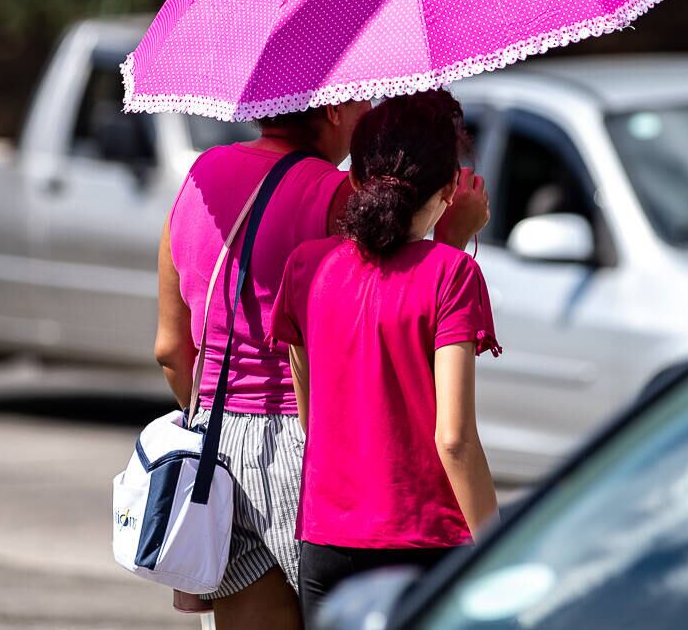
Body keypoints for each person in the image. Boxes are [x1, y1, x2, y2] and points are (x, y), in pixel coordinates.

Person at [154, 102, 486, 630]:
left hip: (214, 445)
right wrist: (452, 237)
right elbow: (397, 301)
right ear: (333, 109)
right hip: (303, 446)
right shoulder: (332, 191)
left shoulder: (200, 177)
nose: (369, 107)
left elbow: (172, 350)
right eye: (360, 101)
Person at [271, 90, 500, 625]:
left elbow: (312, 416)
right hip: (424, 540)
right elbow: (455, 439)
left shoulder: (307, 266)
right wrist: (498, 548)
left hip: (326, 537)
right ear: (449, 188)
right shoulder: (452, 275)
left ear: (354, 181)